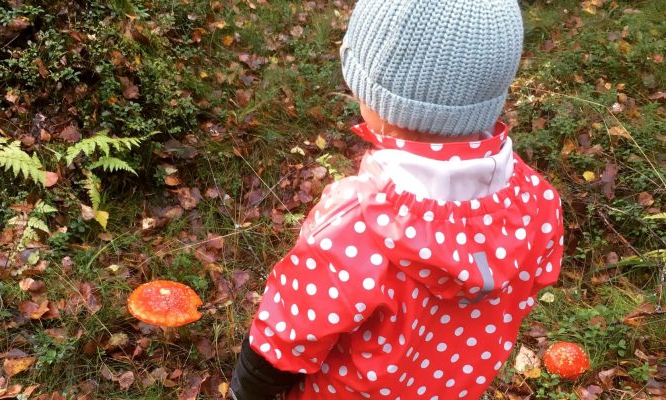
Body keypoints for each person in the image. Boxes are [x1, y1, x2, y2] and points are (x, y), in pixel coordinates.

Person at [230, 0, 564, 398]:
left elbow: (286, 339)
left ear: (382, 103)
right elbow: (521, 296)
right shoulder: (538, 204)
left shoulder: (355, 223)